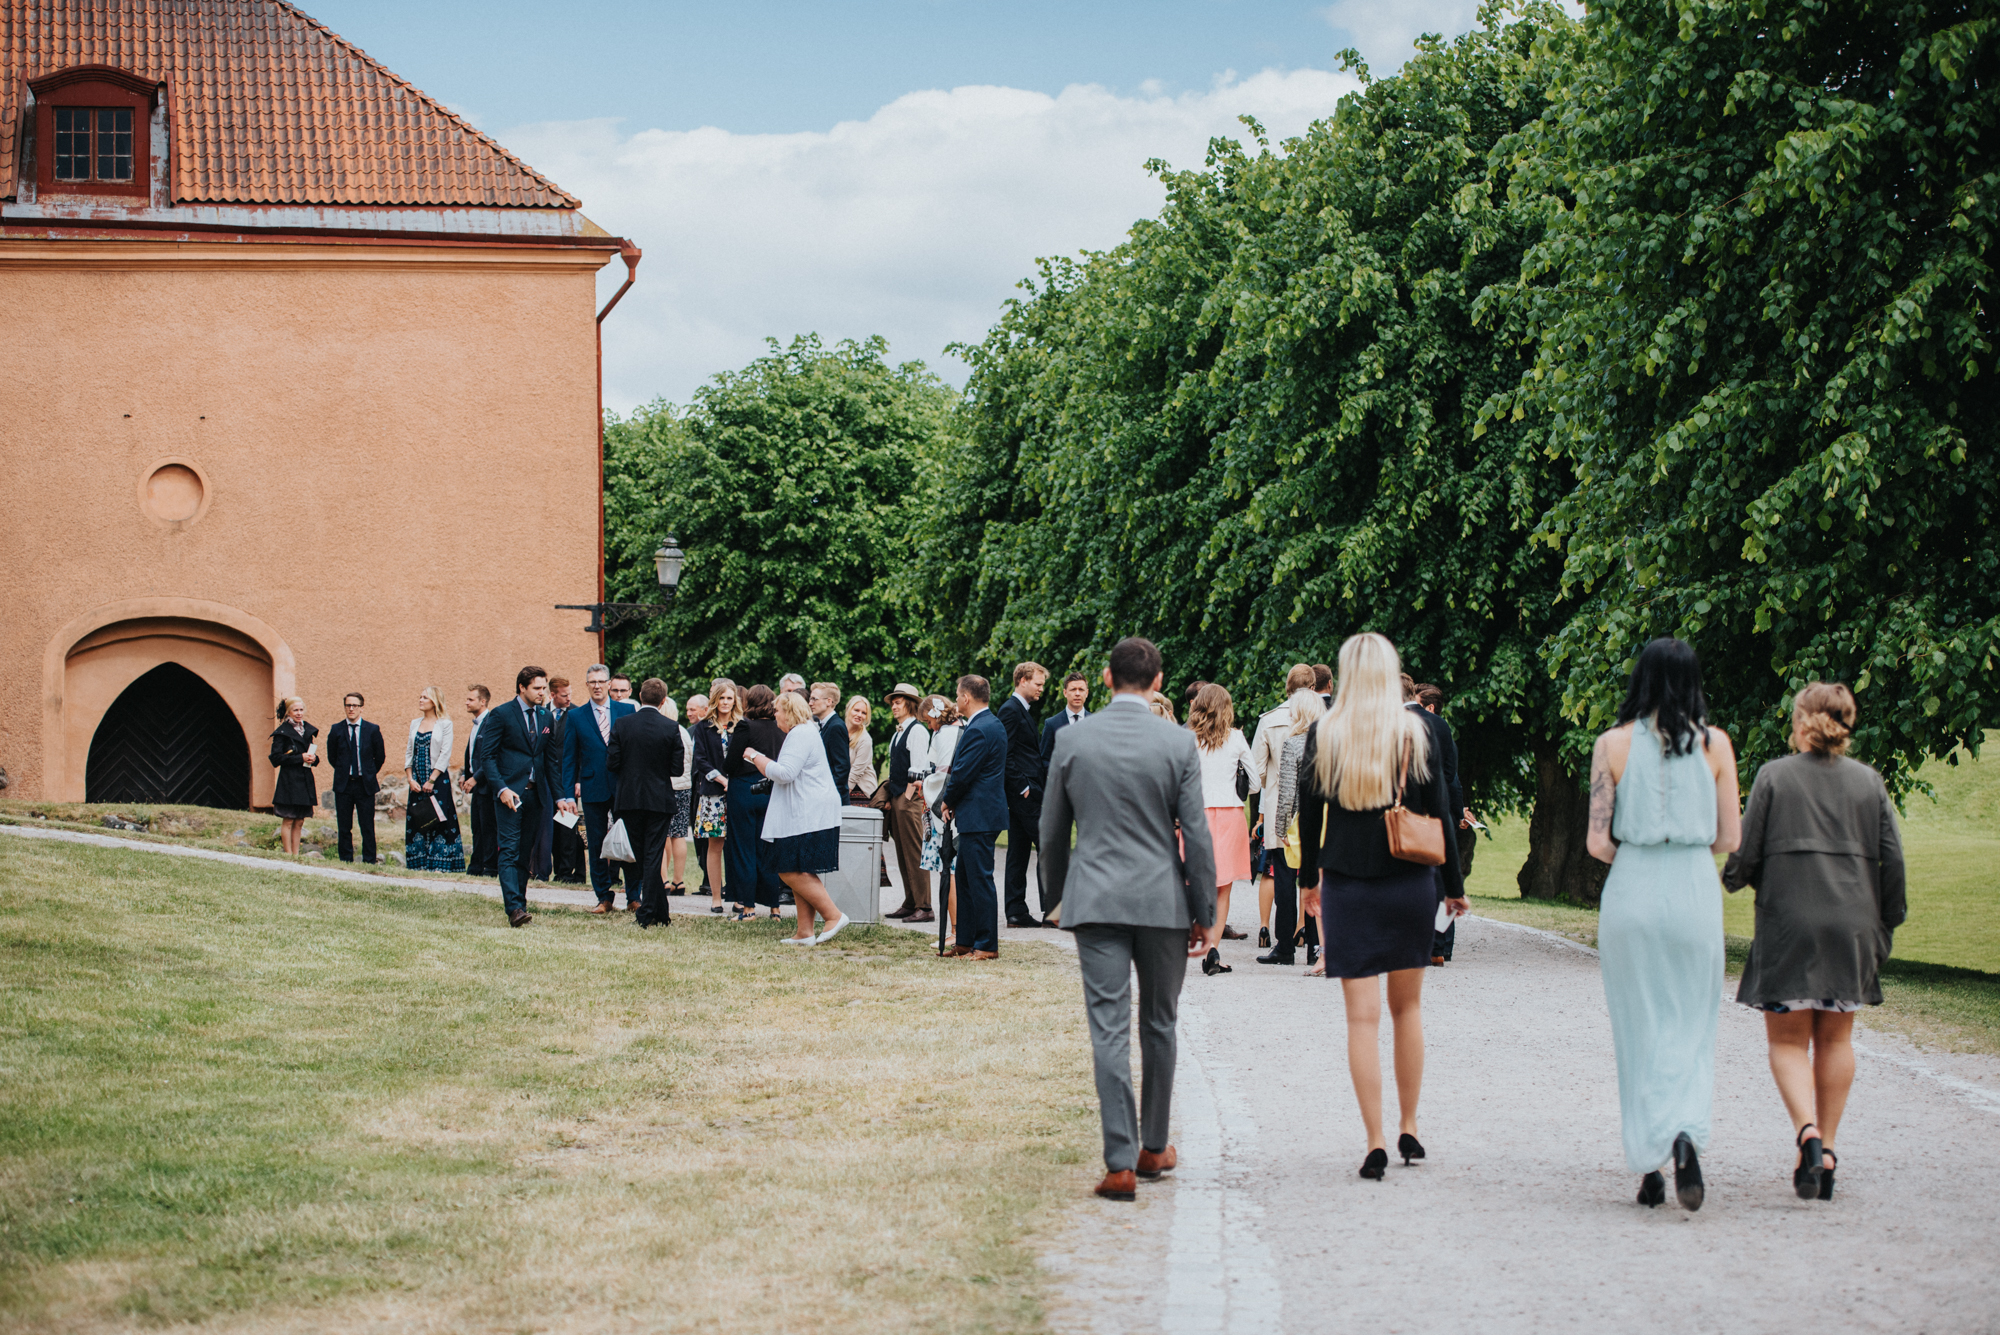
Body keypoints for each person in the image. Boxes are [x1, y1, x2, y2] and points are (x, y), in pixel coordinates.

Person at [1041, 635, 1216, 1201]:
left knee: (1109, 1028)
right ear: (1159, 681)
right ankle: (1153, 1146)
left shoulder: (1072, 738)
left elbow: (1050, 831)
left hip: (1094, 900)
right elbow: (1197, 834)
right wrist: (1205, 909)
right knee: (1160, 1022)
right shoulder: (1177, 743)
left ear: (1108, 680)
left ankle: (1118, 1161)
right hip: (1162, 902)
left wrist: (1055, 898)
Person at [1297, 633, 1469, 1180]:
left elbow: (1309, 810)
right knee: (1408, 1010)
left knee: (1361, 1018)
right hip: (1409, 883)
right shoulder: (1416, 732)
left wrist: (1307, 881)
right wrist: (1453, 884)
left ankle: (1373, 1138)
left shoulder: (1327, 732)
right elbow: (1440, 809)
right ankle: (1409, 1125)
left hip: (1348, 882)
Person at [1724, 682, 1903, 1203]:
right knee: (1836, 1040)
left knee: (1786, 1041)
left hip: (1789, 925)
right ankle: (1827, 1151)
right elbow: (1892, 862)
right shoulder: (1870, 784)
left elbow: (1746, 855)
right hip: (1852, 926)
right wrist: (1884, 927)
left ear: (1802, 723)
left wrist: (1735, 875)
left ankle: (1806, 1132)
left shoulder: (1773, 777)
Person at [1587, 636, 1741, 1211]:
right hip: (1695, 887)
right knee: (1692, 1024)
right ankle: (1685, 1135)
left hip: (1634, 885)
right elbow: (1731, 838)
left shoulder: (1612, 745)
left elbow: (1597, 842)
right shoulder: (1717, 746)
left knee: (1639, 1025)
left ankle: (1648, 1160)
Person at [742, 689, 852, 945]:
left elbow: (785, 773)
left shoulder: (801, 733)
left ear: (789, 711)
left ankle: (833, 915)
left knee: (788, 869)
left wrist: (754, 756)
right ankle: (805, 932)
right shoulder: (804, 732)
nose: (775, 714)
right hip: (806, 813)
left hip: (809, 814)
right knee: (799, 869)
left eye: (777, 710)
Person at [475, 665, 554, 928]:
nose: (542, 693)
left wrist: (562, 796)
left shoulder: (545, 716)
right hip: (509, 794)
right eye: (537, 688)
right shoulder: (501, 714)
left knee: (524, 852)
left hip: (536, 794)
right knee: (508, 849)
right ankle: (514, 908)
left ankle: (520, 901)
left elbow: (550, 759)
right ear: (522, 687)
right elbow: (487, 757)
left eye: (544, 688)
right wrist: (501, 789)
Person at [1190, 683, 1258, 974]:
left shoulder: (1186, 739)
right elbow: (1254, 784)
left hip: (1196, 815)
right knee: (1223, 889)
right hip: (1230, 815)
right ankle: (1212, 950)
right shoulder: (1237, 738)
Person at [607, 678, 686, 928]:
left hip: (629, 798)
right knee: (652, 853)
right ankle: (657, 911)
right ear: (664, 700)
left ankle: (651, 910)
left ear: (640, 696)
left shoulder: (622, 723)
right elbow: (676, 768)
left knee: (642, 856)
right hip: (659, 798)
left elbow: (612, 763)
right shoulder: (671, 727)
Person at [940, 674, 1008, 959]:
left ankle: (987, 944)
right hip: (977, 814)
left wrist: (947, 800)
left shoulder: (981, 729)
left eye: (957, 696)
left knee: (979, 879)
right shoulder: (989, 724)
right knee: (966, 878)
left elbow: (963, 774)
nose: (956, 700)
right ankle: (966, 940)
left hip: (980, 815)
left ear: (966, 698)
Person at [1402, 674, 1469, 966]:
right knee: (1439, 877)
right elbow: (1450, 774)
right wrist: (1453, 810)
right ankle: (1439, 945)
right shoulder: (1441, 727)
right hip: (1434, 811)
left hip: (1403, 813)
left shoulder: (1391, 723)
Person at [561, 665, 638, 914]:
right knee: (595, 844)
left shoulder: (627, 711)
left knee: (629, 841)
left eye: (600, 681)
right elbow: (569, 759)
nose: (596, 685)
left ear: (608, 683)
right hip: (593, 787)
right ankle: (603, 897)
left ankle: (634, 896)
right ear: (586, 685)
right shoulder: (576, 716)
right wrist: (567, 795)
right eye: (591, 682)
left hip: (623, 787)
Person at [1257, 685, 1325, 966]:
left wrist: (1281, 828)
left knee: (1285, 881)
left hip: (1296, 821)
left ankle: (1285, 946)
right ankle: (1315, 946)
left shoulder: (1294, 743)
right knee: (1315, 880)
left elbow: (1286, 792)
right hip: (1324, 821)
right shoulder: (1331, 743)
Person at [723, 685, 786, 919]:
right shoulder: (780, 728)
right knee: (768, 848)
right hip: (771, 791)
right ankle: (774, 907)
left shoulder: (745, 726)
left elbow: (729, 764)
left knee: (743, 849)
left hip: (743, 790)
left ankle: (748, 907)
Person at [1037, 671, 1092, 923]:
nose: (1077, 694)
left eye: (1081, 689)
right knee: (1056, 851)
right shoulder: (1052, 723)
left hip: (1089, 796)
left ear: (1087, 692)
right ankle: (1055, 910)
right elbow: (1044, 759)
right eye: (1073, 689)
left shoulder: (1095, 722)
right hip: (1061, 795)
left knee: (1090, 849)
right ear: (1065, 692)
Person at [999, 661, 1050, 926]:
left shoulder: (1021, 710)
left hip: (1024, 795)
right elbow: (1005, 755)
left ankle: (1016, 912)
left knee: (1018, 853)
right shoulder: (1010, 710)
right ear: (1022, 680)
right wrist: (1024, 787)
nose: (1042, 689)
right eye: (1038, 684)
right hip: (1024, 795)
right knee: (1050, 845)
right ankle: (1054, 912)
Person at [881, 684, 933, 920]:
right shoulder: (898, 732)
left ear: (910, 704)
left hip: (909, 800)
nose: (893, 706)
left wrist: (906, 798)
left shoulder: (918, 731)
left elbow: (920, 770)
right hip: (898, 797)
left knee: (915, 853)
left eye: (898, 702)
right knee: (902, 853)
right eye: (892, 702)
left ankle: (924, 907)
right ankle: (911, 901)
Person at [403, 686, 464, 872]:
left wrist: (431, 780)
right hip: (417, 780)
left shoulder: (445, 724)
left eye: (425, 698)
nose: (420, 700)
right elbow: (409, 752)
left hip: (437, 779)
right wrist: (410, 778)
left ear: (434, 701)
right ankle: (418, 863)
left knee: (439, 818)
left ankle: (441, 864)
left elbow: (445, 753)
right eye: (420, 697)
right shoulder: (415, 723)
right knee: (418, 818)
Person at [693, 679, 739, 914]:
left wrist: (736, 782)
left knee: (738, 845)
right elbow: (699, 759)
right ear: (714, 700)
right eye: (721, 698)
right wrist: (721, 779)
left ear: (734, 701)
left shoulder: (741, 725)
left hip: (738, 793)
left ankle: (739, 896)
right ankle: (715, 897)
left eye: (729, 698)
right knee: (715, 845)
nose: (725, 702)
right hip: (713, 794)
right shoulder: (704, 727)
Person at [325, 691, 385, 863]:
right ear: (345, 707)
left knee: (367, 825)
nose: (351, 709)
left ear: (361, 708)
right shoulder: (336, 729)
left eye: (354, 705)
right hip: (344, 784)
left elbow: (379, 756)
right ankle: (345, 859)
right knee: (344, 826)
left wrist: (368, 772)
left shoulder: (372, 729)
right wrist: (344, 771)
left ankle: (369, 860)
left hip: (364, 784)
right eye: (348, 705)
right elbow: (332, 756)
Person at [915, 694, 959, 928]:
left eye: (928, 720)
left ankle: (954, 930)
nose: (928, 725)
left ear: (935, 714)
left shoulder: (945, 735)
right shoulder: (960, 728)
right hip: (956, 807)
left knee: (948, 872)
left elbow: (943, 776)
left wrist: (925, 784)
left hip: (945, 812)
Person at [540, 676, 584, 884]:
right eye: (564, 695)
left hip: (567, 777)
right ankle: (546, 868)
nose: (569, 698)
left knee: (567, 827)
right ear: (553, 695)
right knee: (547, 827)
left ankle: (566, 872)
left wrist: (578, 779)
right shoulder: (542, 713)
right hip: (545, 778)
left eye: (570, 694)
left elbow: (581, 751)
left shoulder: (576, 714)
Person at [269, 697, 320, 854]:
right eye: (295, 710)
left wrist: (314, 759)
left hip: (304, 780)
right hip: (289, 781)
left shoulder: (307, 730)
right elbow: (276, 758)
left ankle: (296, 855)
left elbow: (311, 754)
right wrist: (300, 758)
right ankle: (288, 854)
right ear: (288, 712)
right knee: (289, 819)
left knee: (299, 821)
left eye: (301, 710)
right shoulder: (282, 733)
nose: (299, 713)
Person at [459, 685, 497, 876]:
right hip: (476, 786)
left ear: (483, 701)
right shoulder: (476, 724)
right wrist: (465, 776)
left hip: (488, 786)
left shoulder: (491, 722)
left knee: (489, 829)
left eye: (470, 699)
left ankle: (489, 868)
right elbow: (472, 754)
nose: (466, 702)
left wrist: (475, 778)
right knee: (477, 828)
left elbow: (491, 756)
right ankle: (475, 867)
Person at [661, 697, 696, 897]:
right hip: (684, 787)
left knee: (663, 834)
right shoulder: (683, 732)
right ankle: (679, 880)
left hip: (666, 786)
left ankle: (663, 878)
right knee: (679, 834)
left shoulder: (663, 731)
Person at [686, 693, 714, 895]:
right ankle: (706, 878)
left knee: (710, 838)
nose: (688, 713)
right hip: (693, 789)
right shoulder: (689, 732)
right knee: (698, 837)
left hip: (709, 788)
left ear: (705, 710)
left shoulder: (711, 731)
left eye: (692, 709)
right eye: (687, 709)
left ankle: (712, 881)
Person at [810, 681, 852, 800]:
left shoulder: (835, 727)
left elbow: (842, 767)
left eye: (814, 699)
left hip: (832, 797)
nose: (810, 703)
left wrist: (827, 794)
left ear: (828, 701)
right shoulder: (826, 725)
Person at [845, 695, 878, 802]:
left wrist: (842, 794)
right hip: (844, 786)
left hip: (861, 790)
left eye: (863, 713)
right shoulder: (840, 731)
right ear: (849, 709)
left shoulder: (865, 739)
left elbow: (856, 773)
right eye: (856, 710)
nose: (859, 715)